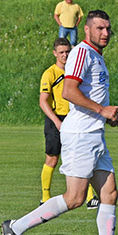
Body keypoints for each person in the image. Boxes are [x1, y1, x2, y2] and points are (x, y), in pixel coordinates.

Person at [1, 10, 118, 235]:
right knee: (75, 198)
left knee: (109, 193)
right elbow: (69, 91)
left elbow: (87, 95)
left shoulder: (97, 56)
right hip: (81, 135)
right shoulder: (82, 53)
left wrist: (107, 116)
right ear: (87, 30)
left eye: (108, 28)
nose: (105, 33)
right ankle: (15, 228)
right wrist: (101, 110)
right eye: (99, 28)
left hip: (94, 134)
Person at [39, 37, 99, 208]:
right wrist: (57, 122)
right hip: (56, 119)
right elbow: (43, 101)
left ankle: (89, 197)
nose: (65, 55)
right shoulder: (49, 73)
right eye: (62, 52)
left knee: (82, 156)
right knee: (52, 158)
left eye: (67, 52)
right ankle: (45, 197)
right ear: (55, 54)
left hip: (75, 118)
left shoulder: (75, 71)